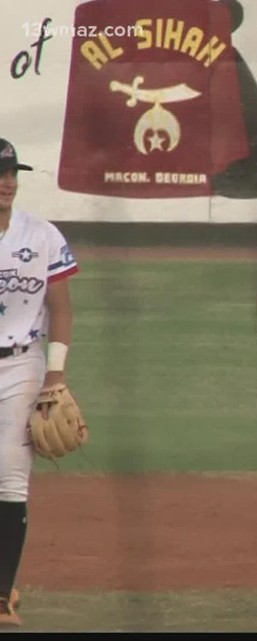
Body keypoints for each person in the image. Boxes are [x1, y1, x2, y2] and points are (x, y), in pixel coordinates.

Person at [0, 138, 81, 628]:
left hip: (22, 363)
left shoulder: (42, 234)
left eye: (12, 173)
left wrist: (55, 372)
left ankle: (2, 593)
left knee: (10, 477)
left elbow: (61, 306)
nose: (7, 181)